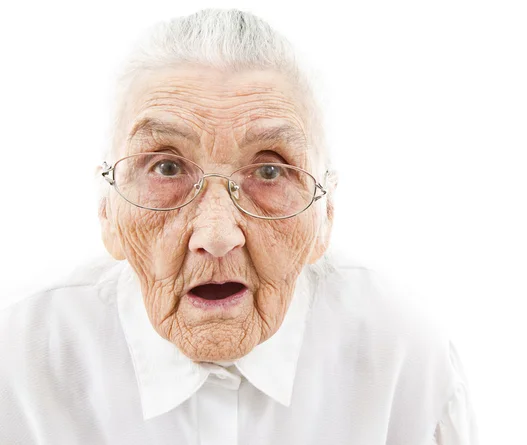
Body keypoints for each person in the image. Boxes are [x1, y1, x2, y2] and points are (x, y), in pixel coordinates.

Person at [0, 9, 478, 444]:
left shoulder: (404, 358)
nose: (216, 235)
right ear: (107, 211)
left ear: (326, 215)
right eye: (166, 168)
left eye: (269, 172)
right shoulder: (20, 358)